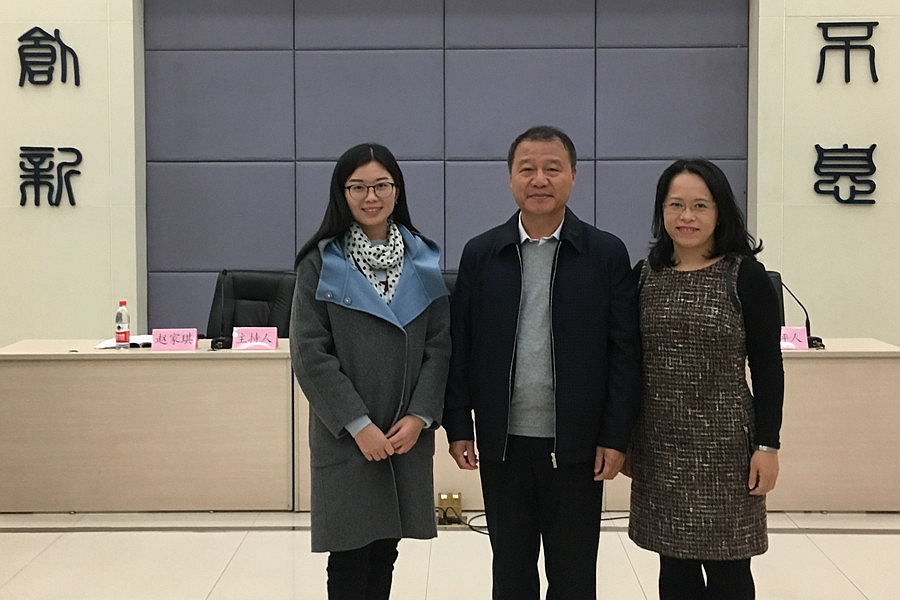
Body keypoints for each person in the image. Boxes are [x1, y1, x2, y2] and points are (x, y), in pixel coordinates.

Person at [442, 125, 642, 599]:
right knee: (511, 574)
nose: (539, 179)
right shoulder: (482, 253)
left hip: (578, 447)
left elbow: (624, 354)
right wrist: (458, 426)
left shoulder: (604, 253)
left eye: (552, 168)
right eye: (527, 169)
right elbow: (460, 346)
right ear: (510, 177)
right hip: (503, 445)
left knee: (574, 577)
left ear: (573, 175)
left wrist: (615, 436)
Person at [290, 143, 451, 600]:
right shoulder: (321, 262)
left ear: (397, 191)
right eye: (357, 187)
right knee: (350, 554)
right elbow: (310, 353)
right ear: (342, 194)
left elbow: (439, 346)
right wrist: (358, 425)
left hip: (403, 432)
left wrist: (419, 417)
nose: (371, 196)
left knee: (385, 550)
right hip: (348, 436)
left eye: (381, 185)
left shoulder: (423, 260)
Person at [627, 159, 784, 600]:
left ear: (720, 211)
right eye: (675, 204)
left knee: (730, 570)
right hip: (660, 445)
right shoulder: (644, 275)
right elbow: (629, 364)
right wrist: (625, 440)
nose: (687, 216)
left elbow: (768, 367)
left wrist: (768, 446)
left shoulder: (744, 275)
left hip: (728, 451)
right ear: (661, 211)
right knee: (673, 568)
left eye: (700, 205)